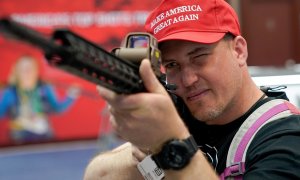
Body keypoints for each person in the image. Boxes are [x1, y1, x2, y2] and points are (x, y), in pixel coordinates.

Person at [84, 0, 300, 179]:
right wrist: (148, 150)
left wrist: (171, 144)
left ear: (239, 51)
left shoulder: (286, 138)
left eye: (199, 58)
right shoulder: (184, 114)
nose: (188, 80)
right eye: (172, 65)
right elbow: (97, 174)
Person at [0, 55, 80, 143]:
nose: (27, 72)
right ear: (16, 72)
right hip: (19, 136)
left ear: (36, 70)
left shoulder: (45, 88)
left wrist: (71, 96)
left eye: (30, 68)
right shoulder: (10, 92)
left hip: (44, 134)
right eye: (23, 69)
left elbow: (58, 109)